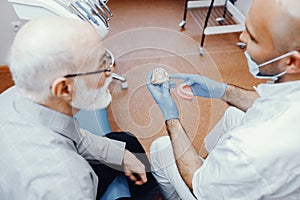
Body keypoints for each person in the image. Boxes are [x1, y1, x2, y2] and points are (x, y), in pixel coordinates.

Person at [147, 0, 300, 199]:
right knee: (233, 114)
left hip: (214, 184)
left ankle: (207, 178)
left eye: (253, 38)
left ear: (292, 61)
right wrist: (223, 91)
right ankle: (216, 167)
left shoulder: (253, 148)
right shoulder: (291, 83)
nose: (242, 37)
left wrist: (171, 117)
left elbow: (197, 183)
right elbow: (275, 106)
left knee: (161, 149)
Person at [0, 17, 161, 200]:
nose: (110, 71)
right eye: (100, 66)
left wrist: (123, 156)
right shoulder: (68, 183)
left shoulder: (15, 95)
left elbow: (73, 135)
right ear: (64, 88)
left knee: (125, 141)